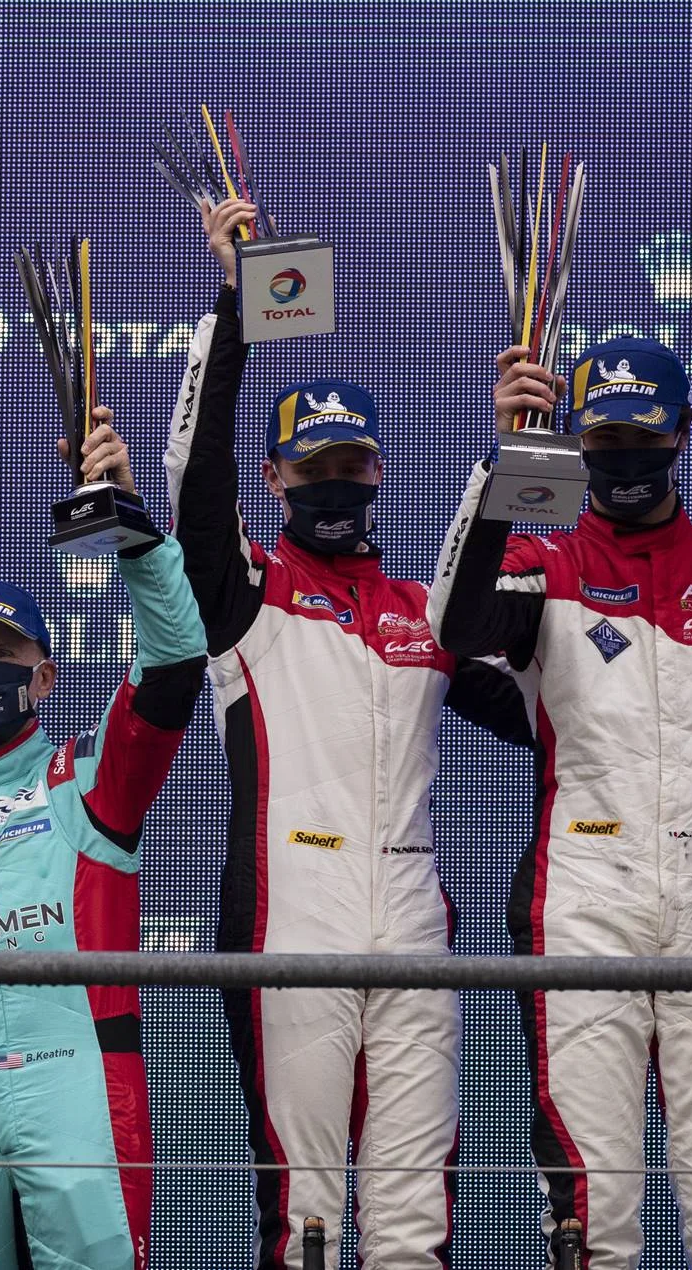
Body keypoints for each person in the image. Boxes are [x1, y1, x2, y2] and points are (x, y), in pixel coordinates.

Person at [163, 198, 531, 1268]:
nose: (332, 481)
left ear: (379, 472)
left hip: (414, 931)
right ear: (274, 477)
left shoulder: (430, 616)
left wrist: (516, 456)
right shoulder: (246, 597)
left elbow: (553, 719)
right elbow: (194, 484)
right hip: (289, 922)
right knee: (306, 1217)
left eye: (351, 463)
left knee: (414, 1226)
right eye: (310, 465)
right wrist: (235, 304)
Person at [429, 337, 692, 1268]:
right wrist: (504, 460)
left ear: (682, 433)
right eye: (603, 439)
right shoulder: (544, 561)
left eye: (642, 437)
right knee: (594, 1213)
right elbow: (455, 623)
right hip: (584, 903)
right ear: (575, 439)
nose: (622, 457)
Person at [0, 411, 206, 1270]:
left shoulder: (88, 780)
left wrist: (131, 527)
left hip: (74, 1085)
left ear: (45, 675)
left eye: (2, 651)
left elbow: (174, 663)